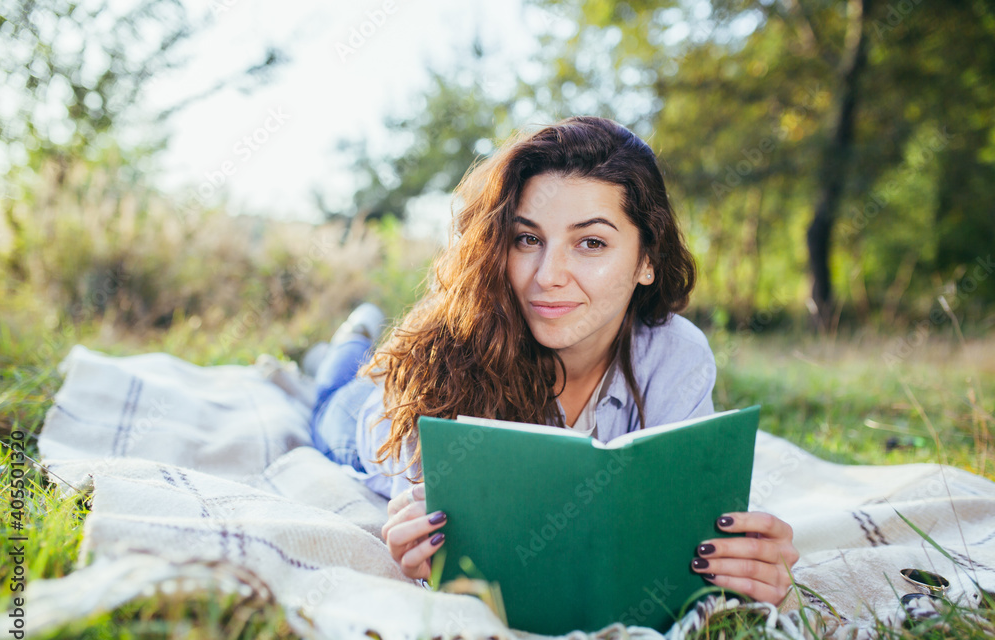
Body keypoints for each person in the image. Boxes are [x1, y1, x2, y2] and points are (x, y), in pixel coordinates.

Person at [309, 116, 799, 607]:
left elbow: (685, 528)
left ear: (647, 259)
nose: (548, 276)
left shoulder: (677, 355)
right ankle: (349, 340)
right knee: (333, 391)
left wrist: (746, 564)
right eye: (528, 239)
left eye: (591, 243)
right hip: (366, 420)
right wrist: (420, 545)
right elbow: (431, 541)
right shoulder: (443, 356)